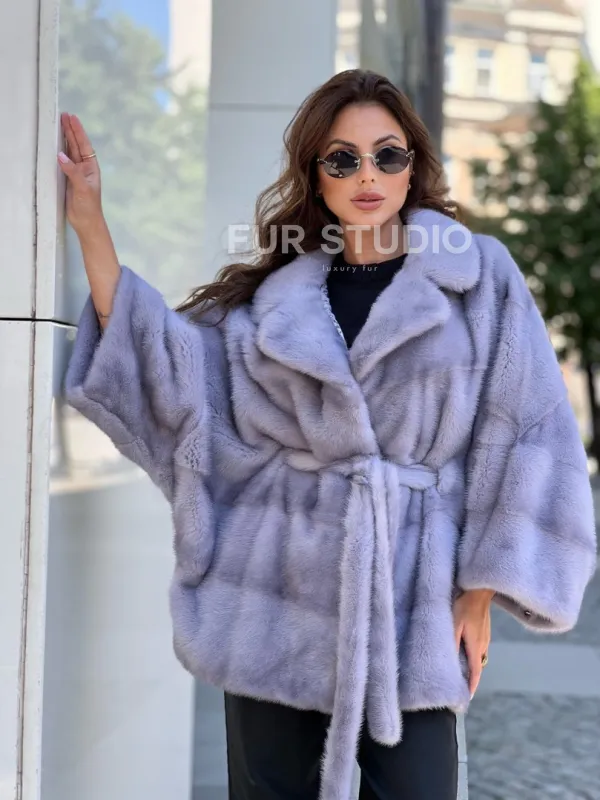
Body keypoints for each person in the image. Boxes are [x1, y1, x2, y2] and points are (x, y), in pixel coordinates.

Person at [57, 69, 597, 800]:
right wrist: (90, 221)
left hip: (411, 605)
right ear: (316, 174)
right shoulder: (269, 303)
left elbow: (529, 428)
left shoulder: (476, 278)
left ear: (414, 165)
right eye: (343, 159)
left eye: (387, 155)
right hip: (273, 608)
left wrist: (479, 590)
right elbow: (170, 374)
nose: (367, 175)